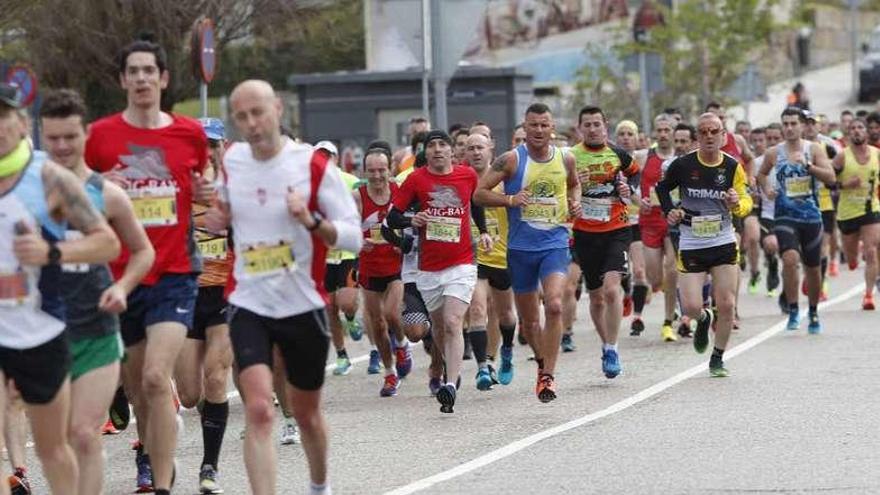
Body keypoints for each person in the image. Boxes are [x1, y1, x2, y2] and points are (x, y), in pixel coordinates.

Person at [205, 79, 361, 495]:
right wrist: (217, 217)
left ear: (277, 109)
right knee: (258, 409)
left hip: (302, 303)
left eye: (258, 112)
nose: (251, 123)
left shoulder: (311, 165)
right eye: (241, 117)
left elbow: (351, 236)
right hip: (247, 300)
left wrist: (310, 220)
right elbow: (222, 215)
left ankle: (319, 484)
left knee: (307, 413)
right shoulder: (233, 160)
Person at [84, 36, 212, 494]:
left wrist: (203, 195)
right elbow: (82, 197)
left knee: (159, 377)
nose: (140, 78)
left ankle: (161, 484)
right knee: (139, 390)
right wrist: (100, 186)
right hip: (122, 276)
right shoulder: (100, 137)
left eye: (148, 70)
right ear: (122, 80)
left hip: (176, 272)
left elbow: (201, 184)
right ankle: (157, 453)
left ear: (163, 78)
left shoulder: (189, 134)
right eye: (132, 71)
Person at [0, 82, 121, 494]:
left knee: (56, 448)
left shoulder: (48, 177)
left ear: (20, 123)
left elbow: (108, 242)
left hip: (40, 330)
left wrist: (50, 252)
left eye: (3, 116)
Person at [40, 88, 155, 495]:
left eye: (70, 136)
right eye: (53, 138)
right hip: (44, 334)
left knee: (85, 434)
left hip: (97, 332)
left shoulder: (107, 194)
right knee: (58, 443)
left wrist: (122, 286)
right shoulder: (26, 192)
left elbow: (143, 251)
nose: (62, 146)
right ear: (41, 135)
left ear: (85, 134)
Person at [474, 103, 579, 401]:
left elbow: (574, 186)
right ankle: (541, 363)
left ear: (552, 128)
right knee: (531, 322)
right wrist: (510, 200)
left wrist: (575, 202)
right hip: (519, 250)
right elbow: (479, 195)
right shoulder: (510, 160)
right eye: (533, 125)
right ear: (525, 126)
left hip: (554, 244)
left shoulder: (566, 158)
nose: (539, 131)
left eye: (544, 125)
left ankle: (548, 375)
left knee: (555, 305)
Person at [387, 129, 487, 412]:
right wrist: (412, 218)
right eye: (433, 146)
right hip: (428, 269)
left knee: (454, 322)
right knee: (440, 329)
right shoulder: (416, 180)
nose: (438, 150)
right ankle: (449, 370)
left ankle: (451, 385)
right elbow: (393, 216)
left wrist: (483, 231)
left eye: (443, 144)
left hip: (462, 263)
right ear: (426, 152)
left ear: (451, 151)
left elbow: (474, 204)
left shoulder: (467, 175)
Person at [656, 112, 752, 377]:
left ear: (723, 136)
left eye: (715, 131)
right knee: (690, 307)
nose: (709, 136)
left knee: (727, 303)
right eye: (704, 132)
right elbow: (662, 188)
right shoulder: (683, 165)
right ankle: (703, 319)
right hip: (691, 241)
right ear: (698, 137)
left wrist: (736, 204)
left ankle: (718, 358)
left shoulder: (733, 167)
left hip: (722, 239)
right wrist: (669, 211)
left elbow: (746, 202)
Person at [571, 106, 637, 379]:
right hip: (585, 232)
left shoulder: (618, 154)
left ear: (605, 126)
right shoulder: (571, 157)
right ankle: (606, 343)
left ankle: (612, 348)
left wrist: (628, 189)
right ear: (580, 128)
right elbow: (561, 186)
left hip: (616, 228)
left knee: (611, 290)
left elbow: (635, 173)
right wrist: (574, 185)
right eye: (587, 125)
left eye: (597, 124)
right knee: (596, 298)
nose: (593, 129)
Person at [757, 107, 836, 333]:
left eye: (794, 123)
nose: (789, 128)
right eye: (786, 124)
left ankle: (812, 312)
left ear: (802, 125)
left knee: (812, 268)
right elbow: (761, 174)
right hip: (785, 216)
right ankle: (793, 309)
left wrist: (808, 166)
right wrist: (767, 188)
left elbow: (830, 178)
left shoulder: (814, 150)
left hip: (811, 216)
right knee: (790, 260)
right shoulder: (774, 153)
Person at [355, 142, 411, 397]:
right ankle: (390, 373)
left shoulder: (400, 191)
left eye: (381, 170)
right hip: (369, 266)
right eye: (371, 171)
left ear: (390, 169)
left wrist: (403, 242)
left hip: (395, 264)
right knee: (376, 324)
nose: (377, 176)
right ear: (364, 171)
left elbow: (411, 224)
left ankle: (401, 343)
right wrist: (359, 240)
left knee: (391, 314)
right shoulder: (358, 197)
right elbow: (348, 226)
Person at [466, 132, 517, 388]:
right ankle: (483, 366)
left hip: (503, 255)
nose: (476, 152)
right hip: (473, 258)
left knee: (505, 314)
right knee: (477, 308)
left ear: (491, 149)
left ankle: (506, 351)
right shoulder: (462, 180)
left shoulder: (504, 180)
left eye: (480, 148)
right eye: (471, 148)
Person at [831, 118, 880, 310]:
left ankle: (868, 295)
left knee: (871, 251)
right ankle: (853, 256)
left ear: (866, 132)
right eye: (853, 128)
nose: (857, 131)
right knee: (852, 260)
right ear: (848, 134)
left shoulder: (877, 154)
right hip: (847, 212)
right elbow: (829, 182)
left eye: (860, 128)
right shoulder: (842, 157)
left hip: (871, 209)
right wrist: (844, 185)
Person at [638, 114, 678, 341]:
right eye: (659, 130)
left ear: (674, 132)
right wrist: (639, 199)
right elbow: (630, 179)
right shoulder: (644, 157)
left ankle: (668, 320)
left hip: (673, 221)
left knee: (672, 270)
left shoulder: (682, 158)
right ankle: (674, 296)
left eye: (667, 130)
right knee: (655, 279)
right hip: (650, 222)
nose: (663, 134)